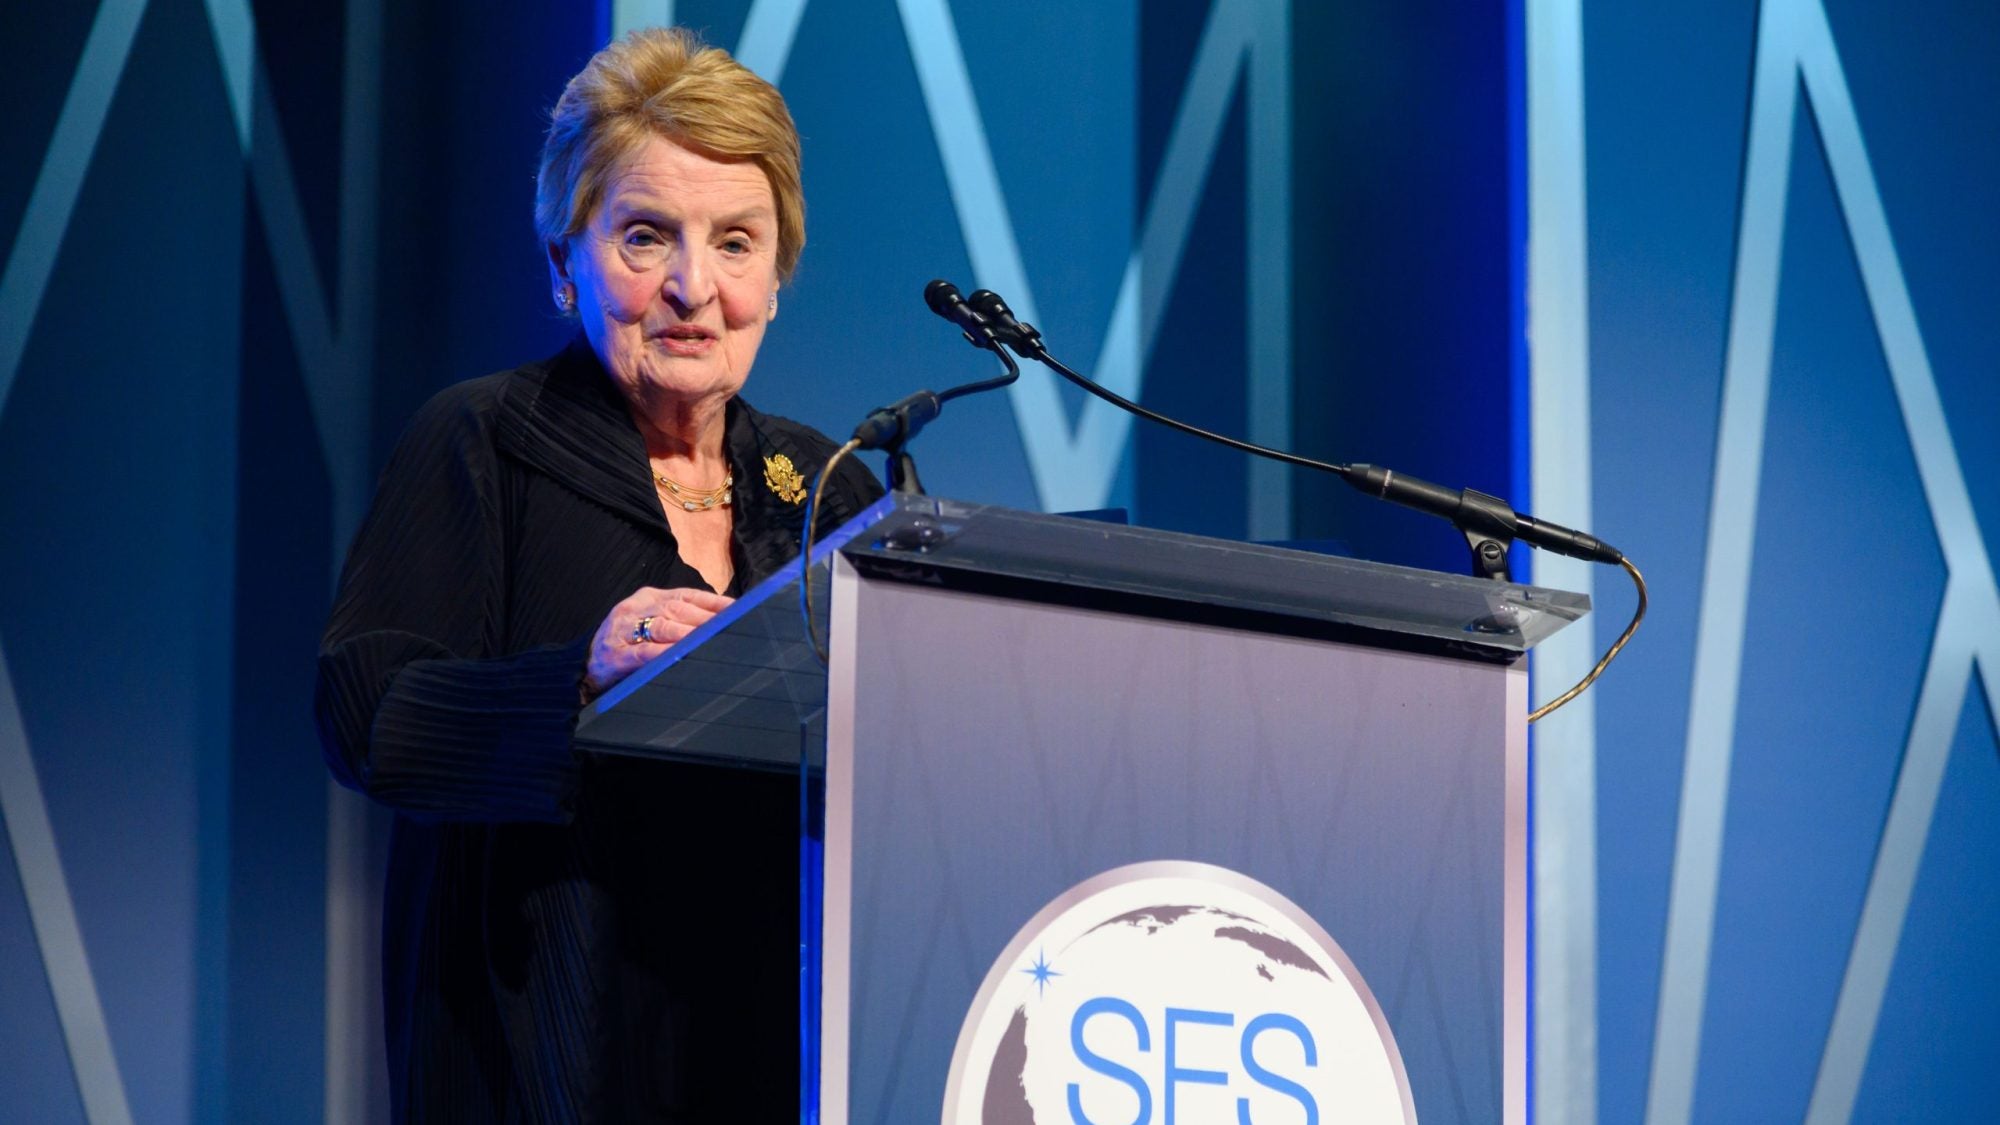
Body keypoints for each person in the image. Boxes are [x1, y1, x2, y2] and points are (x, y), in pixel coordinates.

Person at [315, 27, 883, 1122]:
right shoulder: (486, 442)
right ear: (561, 261)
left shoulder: (826, 488)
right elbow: (365, 712)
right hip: (540, 1053)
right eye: (642, 237)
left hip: (776, 1054)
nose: (691, 287)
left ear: (777, 276)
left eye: (734, 243)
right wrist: (575, 679)